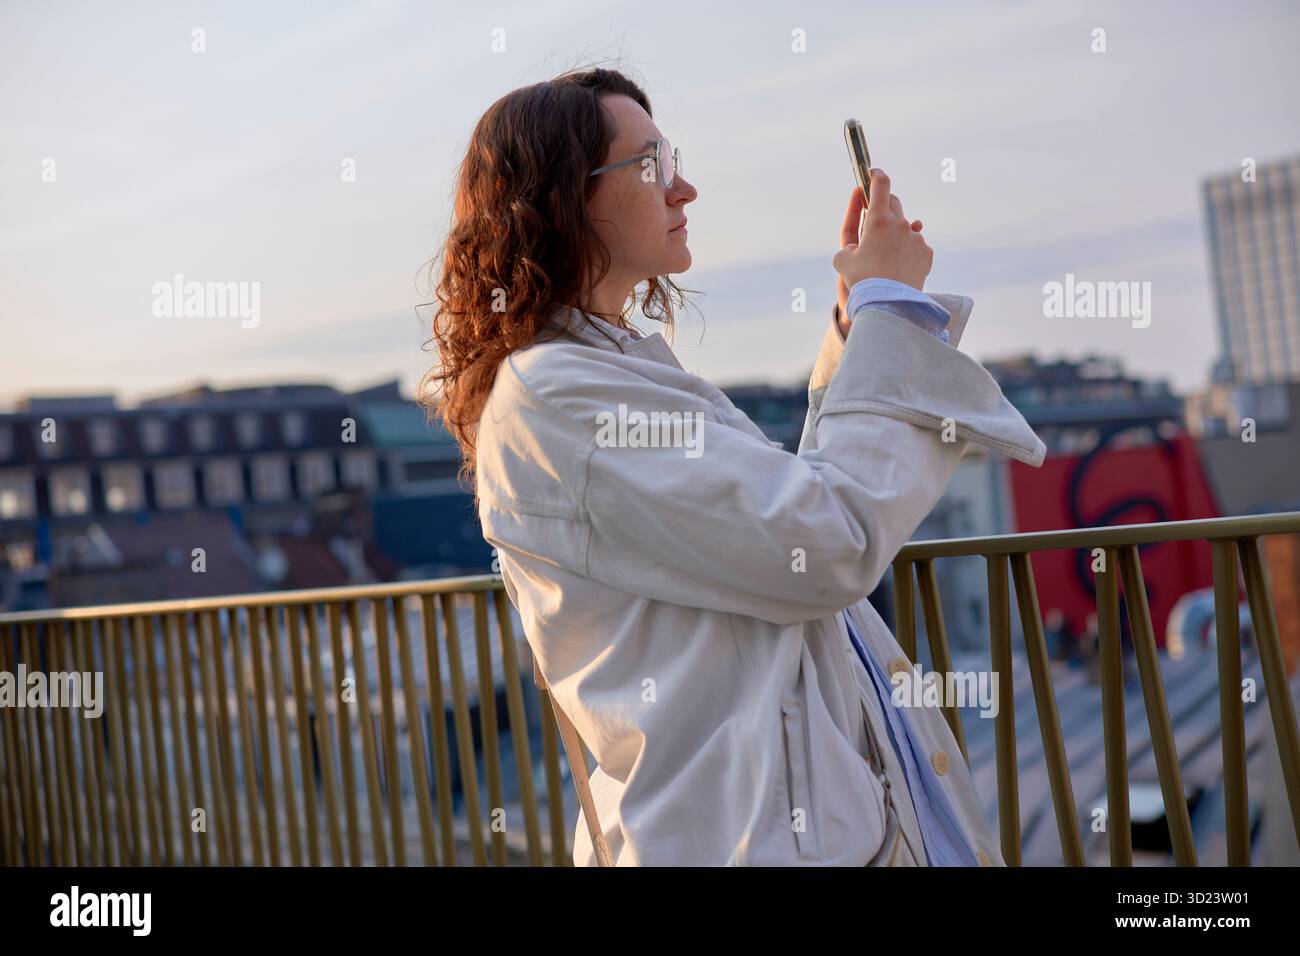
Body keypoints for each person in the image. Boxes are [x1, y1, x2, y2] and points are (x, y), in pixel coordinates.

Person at [419, 65, 1046, 865]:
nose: (685, 190)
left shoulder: (594, 375)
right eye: (650, 166)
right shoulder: (559, 395)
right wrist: (892, 310)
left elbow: (786, 517)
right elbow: (827, 541)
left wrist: (861, 326)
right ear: (561, 201)